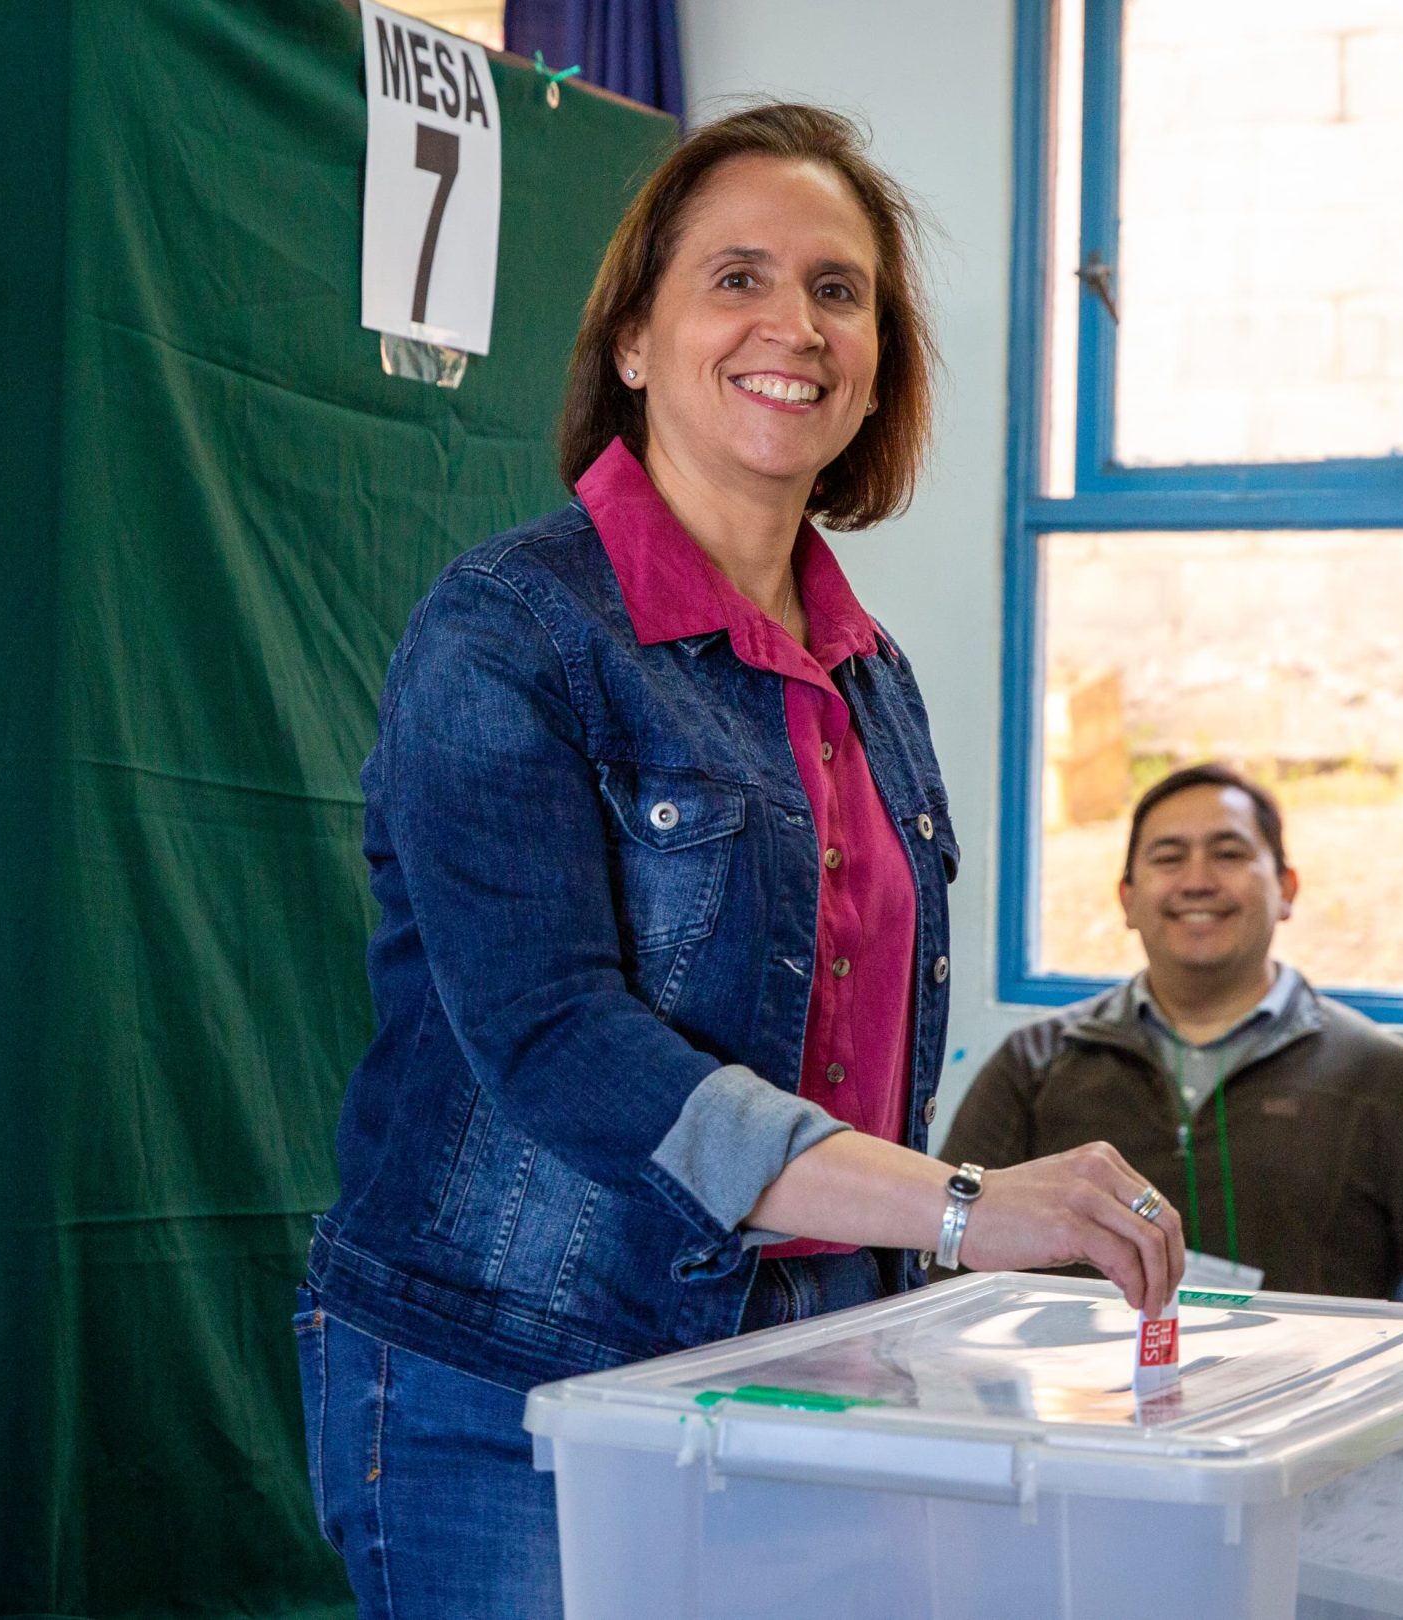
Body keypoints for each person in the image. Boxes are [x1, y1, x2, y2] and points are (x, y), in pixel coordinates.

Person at [294, 103, 1186, 1620]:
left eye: (840, 291)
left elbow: (848, 1050)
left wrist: (942, 1264)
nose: (797, 325)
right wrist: (970, 1205)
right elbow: (562, 1048)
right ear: (633, 341)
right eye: (739, 279)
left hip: (807, 1377)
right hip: (516, 1392)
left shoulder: (868, 676)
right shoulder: (505, 632)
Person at [941, 762, 1403, 1312]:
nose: (1197, 881)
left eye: (1229, 853)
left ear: (1286, 889)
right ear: (1127, 898)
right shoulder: (1037, 1065)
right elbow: (943, 1251)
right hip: (1078, 1418)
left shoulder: (1383, 1079)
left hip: (1309, 1424)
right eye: (1168, 857)